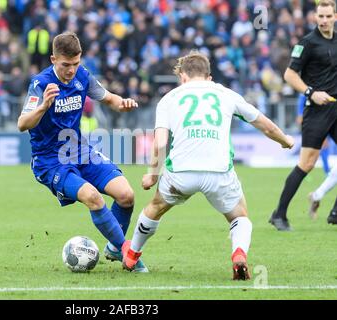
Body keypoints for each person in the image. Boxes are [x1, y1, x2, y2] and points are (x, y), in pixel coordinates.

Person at [121, 51, 294, 280]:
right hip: (218, 172)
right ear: (209, 76)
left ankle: (132, 255)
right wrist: (285, 140)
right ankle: (238, 253)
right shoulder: (226, 94)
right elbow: (265, 125)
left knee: (155, 207)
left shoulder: (169, 99)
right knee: (239, 216)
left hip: (181, 173)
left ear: (182, 76)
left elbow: (160, 143)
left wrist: (152, 175)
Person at [17, 32, 148, 272]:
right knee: (93, 197)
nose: (71, 70)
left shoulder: (83, 76)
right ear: (53, 59)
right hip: (50, 162)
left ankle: (114, 247)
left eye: (75, 64)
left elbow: (109, 99)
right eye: (66, 65)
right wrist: (44, 106)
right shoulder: (41, 84)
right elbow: (23, 123)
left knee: (126, 195)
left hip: (79, 151)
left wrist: (123, 103)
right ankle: (128, 252)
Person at [269, 0, 337, 231]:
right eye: (321, 16)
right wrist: (311, 92)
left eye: (328, 16)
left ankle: (335, 213)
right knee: (307, 163)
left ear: (335, 16)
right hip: (316, 111)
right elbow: (289, 75)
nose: (325, 20)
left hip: (335, 108)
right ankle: (279, 214)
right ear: (315, 17)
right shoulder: (308, 43)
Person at [296, 93, 330, 175]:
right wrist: (300, 117)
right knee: (322, 145)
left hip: (324, 119)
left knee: (324, 145)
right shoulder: (307, 91)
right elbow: (301, 105)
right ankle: (326, 170)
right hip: (313, 121)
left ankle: (326, 169)